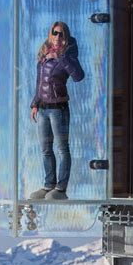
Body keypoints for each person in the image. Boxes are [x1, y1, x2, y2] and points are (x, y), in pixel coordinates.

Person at [29, 21, 85, 200]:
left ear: (66, 37)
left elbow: (78, 76)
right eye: (55, 33)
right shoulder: (43, 55)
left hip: (58, 109)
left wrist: (61, 56)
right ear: (50, 34)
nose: (57, 37)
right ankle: (48, 185)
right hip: (43, 109)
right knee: (45, 149)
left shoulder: (68, 56)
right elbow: (40, 82)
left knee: (62, 148)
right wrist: (35, 104)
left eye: (62, 34)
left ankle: (61, 189)